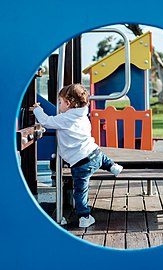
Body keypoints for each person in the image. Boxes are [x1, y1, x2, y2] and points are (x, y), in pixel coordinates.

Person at [32, 83, 123, 228]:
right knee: (102, 158)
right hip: (95, 154)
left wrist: (38, 110)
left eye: (60, 102)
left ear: (68, 103)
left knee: (80, 191)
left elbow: (46, 121)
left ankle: (84, 217)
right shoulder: (83, 115)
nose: (59, 105)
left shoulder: (66, 119)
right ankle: (113, 167)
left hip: (81, 164)